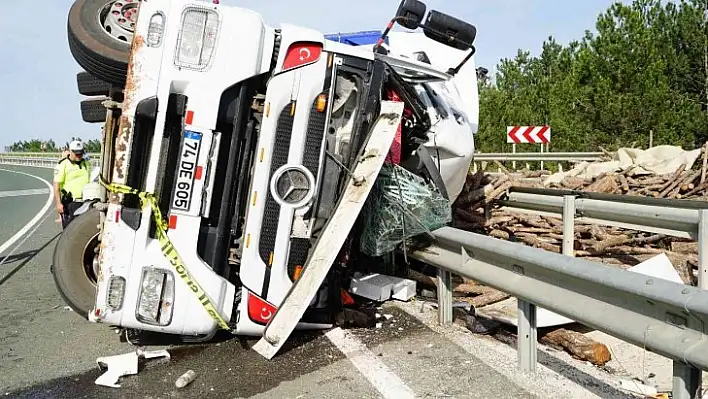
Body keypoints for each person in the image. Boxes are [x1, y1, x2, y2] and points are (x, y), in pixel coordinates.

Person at [54, 140, 91, 229]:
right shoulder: (63, 165)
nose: (79, 156)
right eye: (76, 153)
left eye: (81, 153)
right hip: (70, 203)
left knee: (83, 230)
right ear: (70, 151)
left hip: (85, 202)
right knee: (69, 230)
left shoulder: (86, 163)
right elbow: (56, 186)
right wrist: (58, 204)